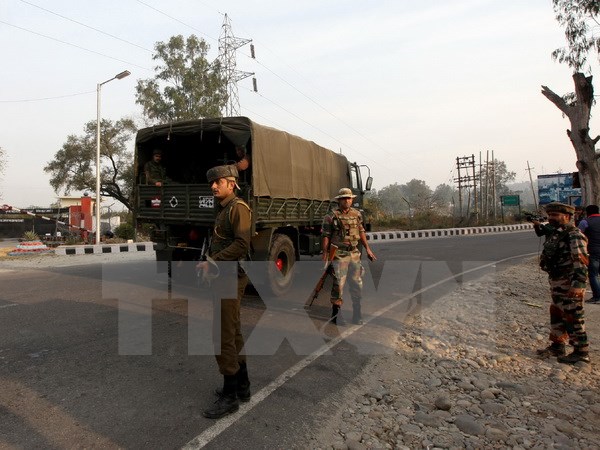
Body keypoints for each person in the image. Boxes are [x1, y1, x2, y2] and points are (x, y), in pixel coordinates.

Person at [196, 164, 252, 419]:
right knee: (233, 330)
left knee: (223, 334)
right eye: (213, 182)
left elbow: (242, 244)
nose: (213, 186)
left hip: (230, 276)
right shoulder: (224, 209)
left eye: (218, 182)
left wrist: (213, 261)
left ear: (232, 183)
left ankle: (230, 396)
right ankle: (242, 386)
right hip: (224, 276)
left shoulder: (238, 208)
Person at [536, 202, 591, 364]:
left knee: (573, 315)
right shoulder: (557, 233)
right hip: (557, 282)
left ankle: (581, 351)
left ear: (566, 216)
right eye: (550, 215)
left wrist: (578, 285)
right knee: (557, 313)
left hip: (570, 283)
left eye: (555, 215)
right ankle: (557, 344)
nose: (551, 218)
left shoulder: (574, 235)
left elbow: (581, 261)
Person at [321, 187, 376, 325]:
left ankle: (357, 313)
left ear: (352, 200)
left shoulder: (357, 214)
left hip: (354, 253)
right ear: (339, 200)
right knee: (338, 283)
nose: (347, 200)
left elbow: (361, 231)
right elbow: (326, 236)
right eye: (344, 198)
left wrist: (368, 249)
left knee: (357, 283)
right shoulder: (331, 216)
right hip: (339, 253)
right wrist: (325, 253)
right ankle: (336, 314)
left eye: (349, 198)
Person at [578, 204, 600, 304]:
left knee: (593, 275)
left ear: (587, 212)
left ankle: (597, 297)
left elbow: (578, 235)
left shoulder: (585, 222)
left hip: (593, 252)